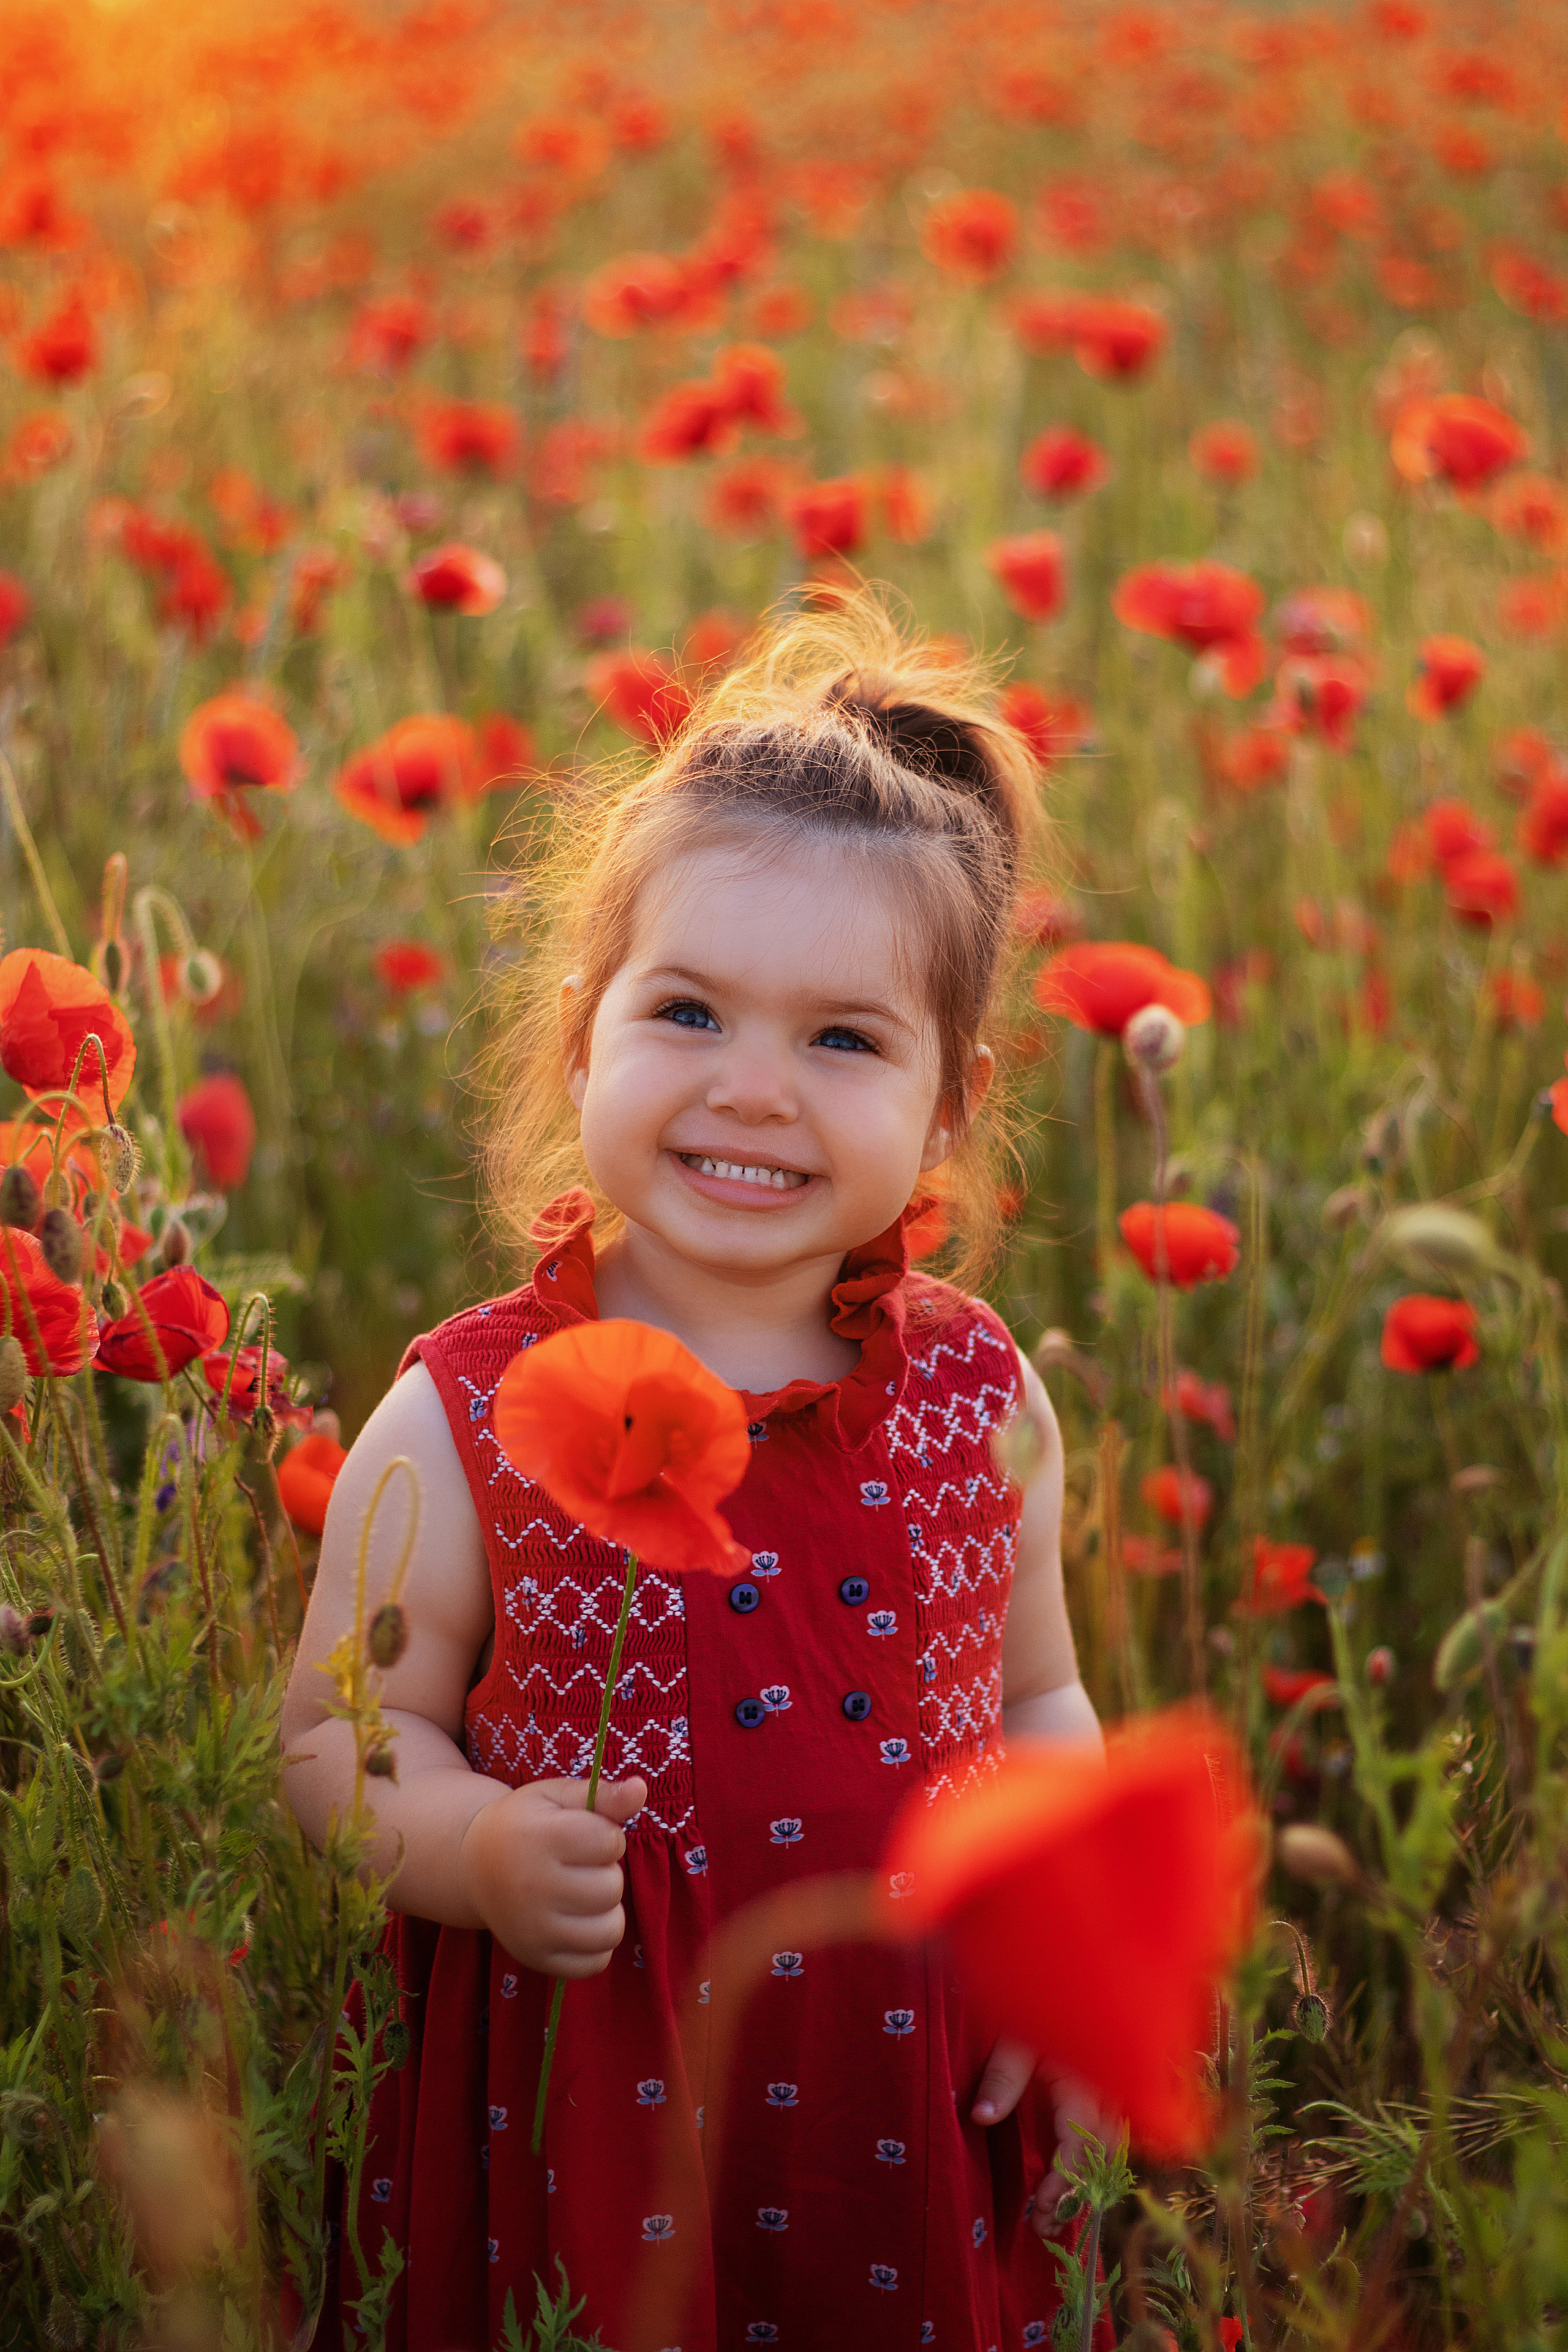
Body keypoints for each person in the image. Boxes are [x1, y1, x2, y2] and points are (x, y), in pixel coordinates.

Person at [282, 590, 1114, 2352]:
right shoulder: (462, 1412)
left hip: (912, 2110)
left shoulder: (979, 1392)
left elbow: (1040, 1698)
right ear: (586, 1032)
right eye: (689, 1014)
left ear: (950, 1105)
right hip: (600, 2125)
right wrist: (481, 1847)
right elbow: (335, 1745)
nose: (751, 1090)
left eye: (841, 1040)